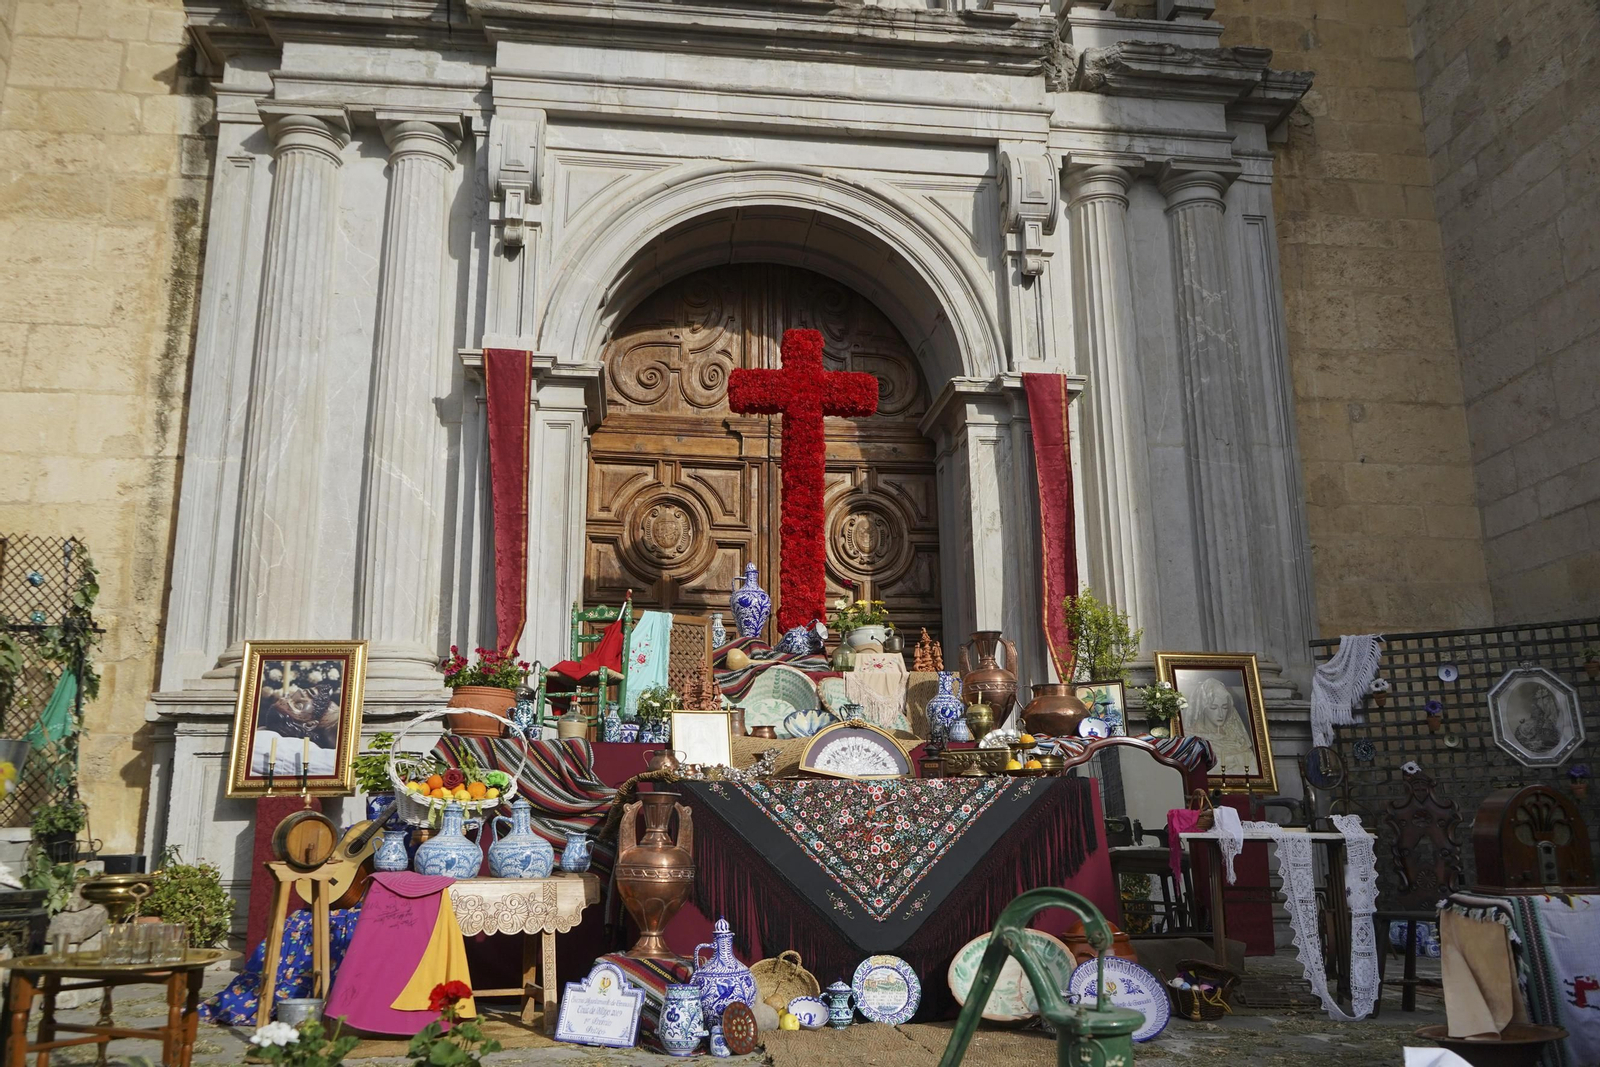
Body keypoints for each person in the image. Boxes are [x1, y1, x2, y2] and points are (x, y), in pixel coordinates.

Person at [1183, 676, 1259, 775]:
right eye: (1214, 707)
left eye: (1224, 707)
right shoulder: (1190, 738)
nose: (1220, 714)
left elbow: (1253, 769)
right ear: (1203, 708)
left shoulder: (1237, 739)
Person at [1513, 684, 1561, 753]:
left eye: (1548, 700)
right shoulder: (1528, 724)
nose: (1547, 704)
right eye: (1539, 700)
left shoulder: (1551, 720)